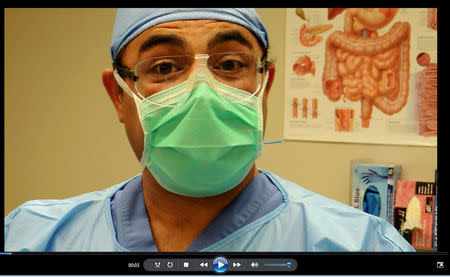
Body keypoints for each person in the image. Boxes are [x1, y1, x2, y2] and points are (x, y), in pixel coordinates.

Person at [4, 8, 415, 252]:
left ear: (264, 85)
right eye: (164, 68)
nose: (202, 95)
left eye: (231, 65)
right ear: (118, 96)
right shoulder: (33, 238)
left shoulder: (362, 246)